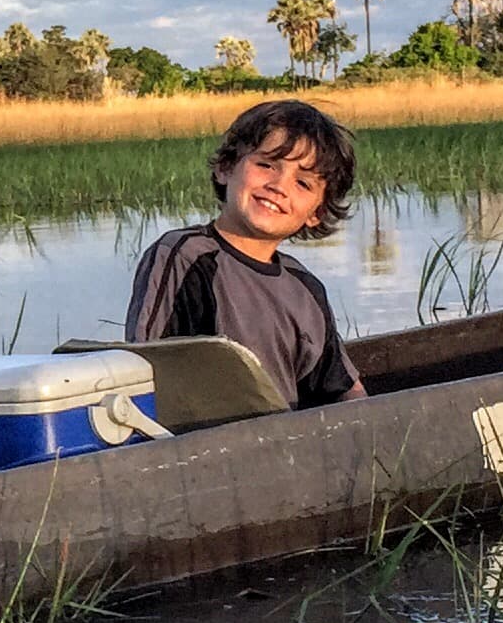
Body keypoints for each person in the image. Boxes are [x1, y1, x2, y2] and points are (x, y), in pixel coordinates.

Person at [123, 100, 366, 409]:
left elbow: (341, 388)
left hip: (285, 443)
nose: (279, 186)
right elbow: (144, 365)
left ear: (315, 213)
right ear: (226, 168)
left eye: (302, 183)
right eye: (266, 165)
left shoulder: (305, 287)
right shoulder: (185, 256)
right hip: (205, 441)